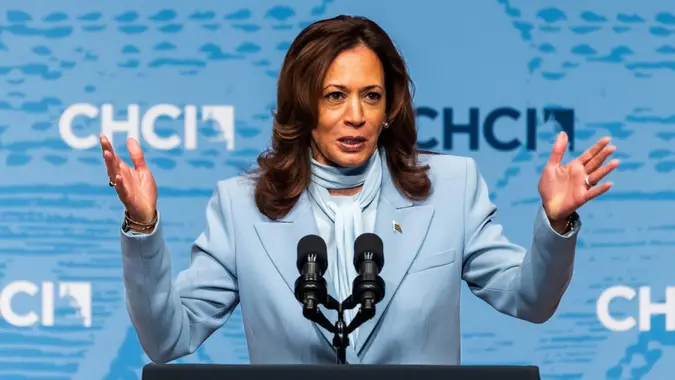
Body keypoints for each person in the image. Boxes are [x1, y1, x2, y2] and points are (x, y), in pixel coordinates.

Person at [100, 15, 619, 365]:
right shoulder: (240, 206)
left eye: (371, 95)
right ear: (303, 105)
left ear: (390, 105)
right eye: (335, 96)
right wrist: (143, 228)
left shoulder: (451, 188)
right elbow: (169, 338)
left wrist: (554, 222)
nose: (356, 115)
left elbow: (529, 298)